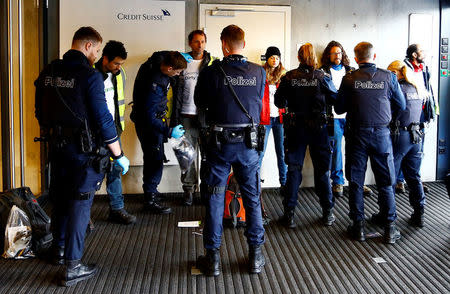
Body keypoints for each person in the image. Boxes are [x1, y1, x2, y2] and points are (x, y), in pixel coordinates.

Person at [35, 27, 130, 286]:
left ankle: (60, 249)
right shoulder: (89, 76)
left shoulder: (49, 71)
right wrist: (118, 153)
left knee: (61, 198)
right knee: (80, 203)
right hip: (84, 151)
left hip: (56, 146)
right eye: (97, 50)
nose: (97, 55)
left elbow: (39, 111)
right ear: (88, 46)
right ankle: (73, 266)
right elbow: (103, 118)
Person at [194, 25, 266, 276]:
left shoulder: (212, 72)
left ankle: (212, 259)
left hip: (219, 145)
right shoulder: (259, 72)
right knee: (252, 197)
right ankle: (255, 256)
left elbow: (199, 103)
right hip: (248, 146)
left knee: (214, 197)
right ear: (243, 44)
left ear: (223, 44)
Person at [335, 42, 406, 244]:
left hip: (357, 135)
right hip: (382, 135)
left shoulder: (349, 79)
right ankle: (390, 229)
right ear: (374, 56)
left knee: (356, 181)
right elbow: (401, 105)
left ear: (356, 59)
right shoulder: (389, 77)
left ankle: (358, 228)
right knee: (386, 181)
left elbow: (339, 109)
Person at [275, 43, 337, 229]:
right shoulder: (322, 77)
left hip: (296, 127)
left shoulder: (289, 77)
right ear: (314, 58)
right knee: (322, 171)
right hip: (319, 127)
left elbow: (279, 102)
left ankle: (290, 214)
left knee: (294, 169)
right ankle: (327, 212)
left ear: (299, 57)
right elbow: (336, 99)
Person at [131, 51, 187, 214]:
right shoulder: (154, 83)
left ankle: (152, 191)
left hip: (151, 121)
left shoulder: (153, 64)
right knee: (154, 160)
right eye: (176, 72)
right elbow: (148, 117)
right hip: (150, 125)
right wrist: (169, 131)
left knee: (154, 158)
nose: (177, 75)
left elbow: (160, 54)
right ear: (169, 68)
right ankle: (150, 199)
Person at [320, 41, 373, 198]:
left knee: (355, 150)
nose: (337, 55)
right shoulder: (323, 72)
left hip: (351, 117)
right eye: (334, 53)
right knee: (336, 150)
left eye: (340, 52)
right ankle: (338, 182)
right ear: (328, 55)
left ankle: (356, 182)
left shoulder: (351, 71)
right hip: (333, 117)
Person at [171, 30, 216, 206]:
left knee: (207, 156)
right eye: (196, 41)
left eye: (203, 41)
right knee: (186, 155)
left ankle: (206, 189)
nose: (200, 45)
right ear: (190, 43)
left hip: (205, 117)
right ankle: (188, 190)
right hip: (185, 116)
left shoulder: (212, 63)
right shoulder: (182, 62)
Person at [94, 40, 136, 224]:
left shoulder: (119, 74)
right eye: (116, 63)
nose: (119, 67)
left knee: (114, 170)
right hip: (95, 133)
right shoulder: (92, 76)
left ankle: (116, 209)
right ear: (105, 59)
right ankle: (82, 215)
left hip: (113, 131)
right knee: (91, 174)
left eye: (121, 63)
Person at [384, 60, 426, 227]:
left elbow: (388, 112)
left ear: (396, 73)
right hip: (416, 136)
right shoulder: (415, 88)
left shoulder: (397, 89)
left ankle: (388, 215)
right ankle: (419, 213)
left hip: (399, 135)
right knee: (414, 176)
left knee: (390, 176)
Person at [394, 44, 438, 194]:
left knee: (417, 150)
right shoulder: (404, 68)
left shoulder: (424, 69)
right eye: (421, 51)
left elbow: (427, 90)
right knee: (401, 152)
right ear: (413, 54)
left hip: (422, 112)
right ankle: (400, 181)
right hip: (408, 113)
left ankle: (414, 178)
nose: (424, 53)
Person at [258, 46, 287, 194]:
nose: (275, 60)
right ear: (267, 59)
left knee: (282, 153)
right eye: (272, 57)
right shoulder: (260, 74)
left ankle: (284, 184)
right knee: (260, 152)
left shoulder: (285, 75)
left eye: (277, 57)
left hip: (280, 119)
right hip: (265, 119)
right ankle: (255, 183)